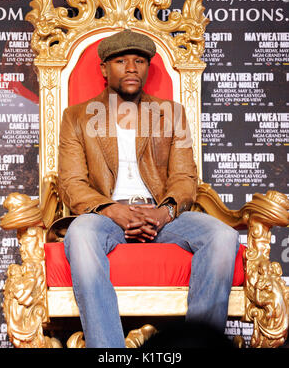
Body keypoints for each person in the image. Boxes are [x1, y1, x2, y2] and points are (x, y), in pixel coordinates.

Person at [58, 29, 239, 348]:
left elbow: (184, 177)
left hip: (162, 214)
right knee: (81, 235)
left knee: (222, 236)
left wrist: (165, 211)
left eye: (139, 60)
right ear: (104, 69)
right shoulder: (75, 117)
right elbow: (72, 183)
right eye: (121, 61)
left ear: (147, 68)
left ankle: (198, 345)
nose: (131, 67)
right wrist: (113, 210)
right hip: (105, 215)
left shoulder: (171, 113)